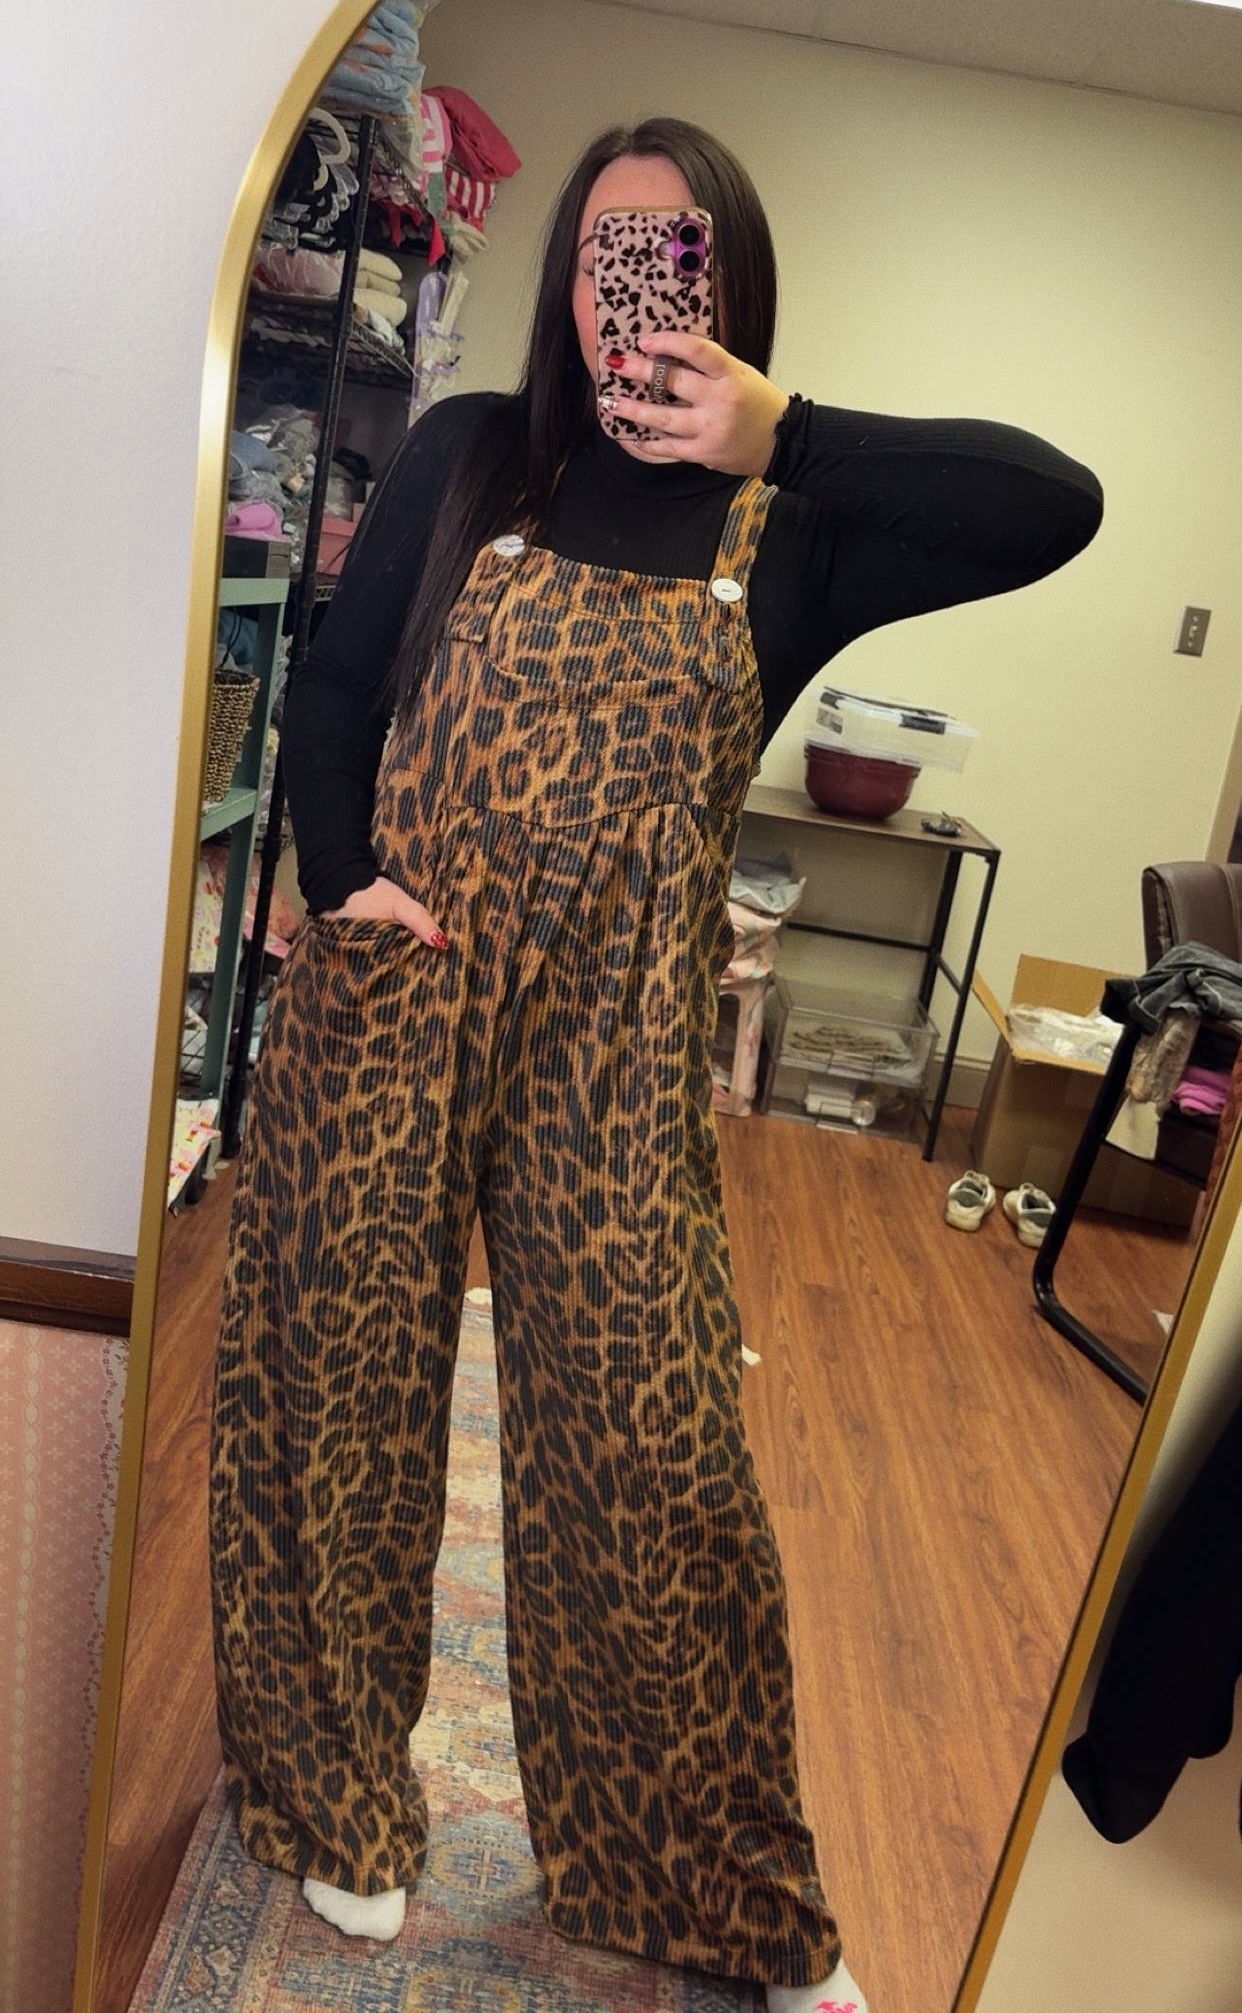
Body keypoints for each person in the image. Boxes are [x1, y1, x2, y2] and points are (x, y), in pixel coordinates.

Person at [209, 115, 1103, 2013]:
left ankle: (705, 1887)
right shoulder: (472, 452)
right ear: (563, 284)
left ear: (728, 282)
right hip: (395, 990)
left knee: (655, 1445)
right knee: (329, 1396)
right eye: (603, 252)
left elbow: (1054, 502)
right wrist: (345, 880)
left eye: (672, 249)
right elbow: (340, 684)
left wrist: (793, 432)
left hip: (614, 1043)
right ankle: (331, 1803)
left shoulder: (796, 526)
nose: (630, 289)